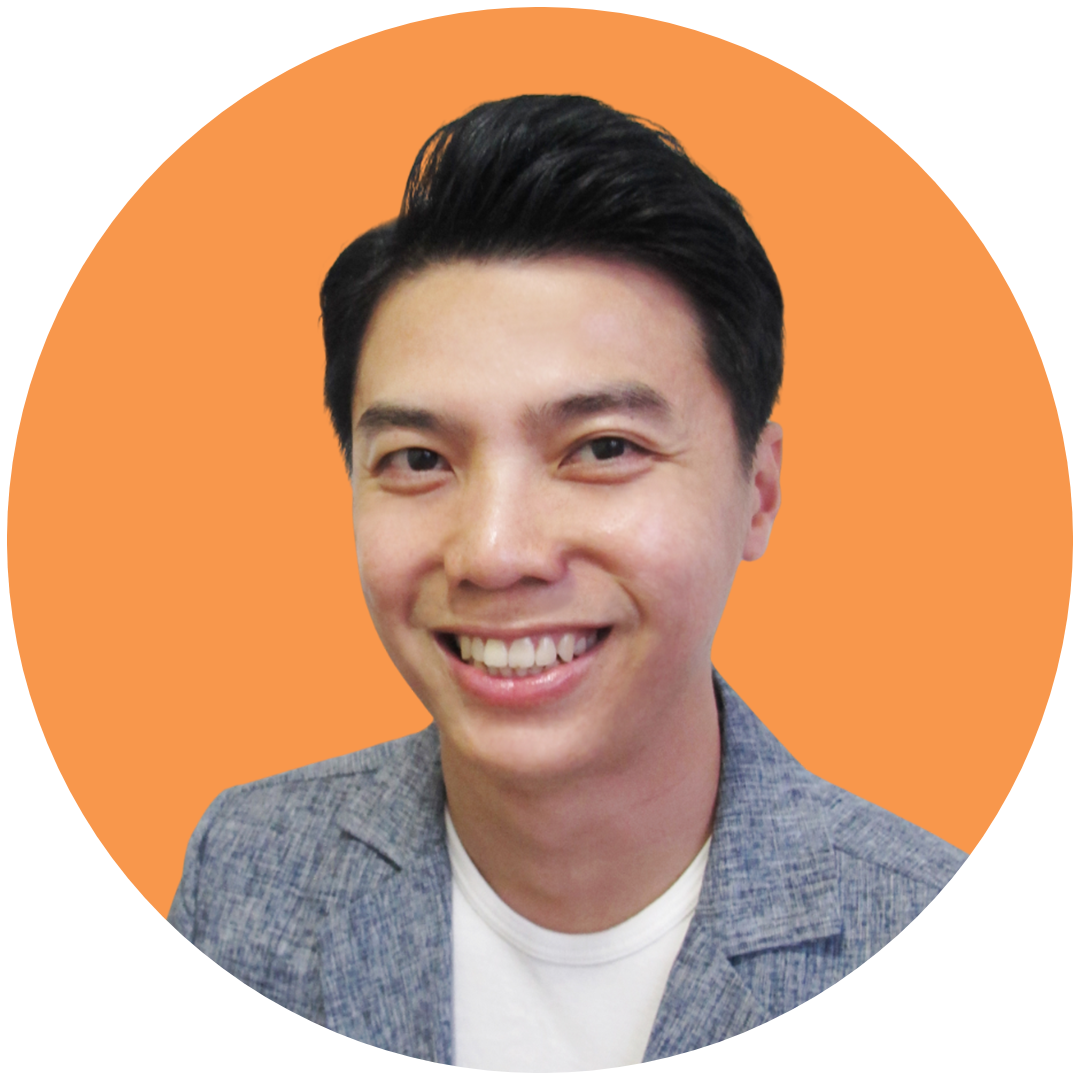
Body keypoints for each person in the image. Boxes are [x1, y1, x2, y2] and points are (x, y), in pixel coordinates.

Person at [129, 95, 1018, 1073]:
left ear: (758, 493)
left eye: (602, 448)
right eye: (419, 459)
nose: (493, 552)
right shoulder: (244, 874)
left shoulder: (980, 964)